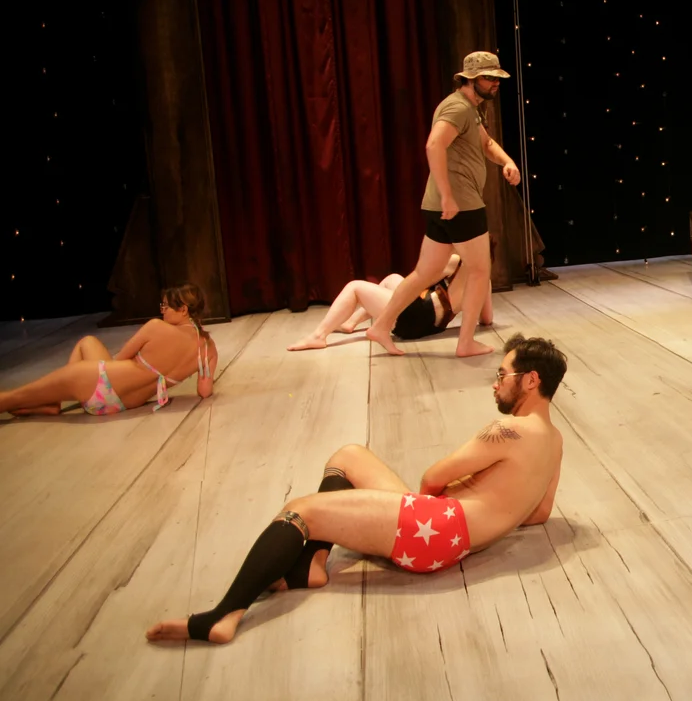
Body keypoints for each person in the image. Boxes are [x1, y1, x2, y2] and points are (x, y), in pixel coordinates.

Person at [146, 334, 566, 644]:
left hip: (436, 529)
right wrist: (489, 512)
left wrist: (445, 506)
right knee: (349, 456)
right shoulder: (554, 440)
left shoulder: (508, 430)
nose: (495, 383)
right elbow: (540, 512)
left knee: (302, 509)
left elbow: (433, 477)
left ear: (531, 380)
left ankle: (223, 615)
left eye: (502, 374)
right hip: (453, 536)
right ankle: (309, 566)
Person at [365, 51, 521, 358]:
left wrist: (507, 161)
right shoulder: (457, 107)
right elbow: (434, 144)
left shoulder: (470, 109)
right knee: (479, 271)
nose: (495, 83)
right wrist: (448, 195)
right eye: (489, 78)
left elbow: (486, 143)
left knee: (426, 272)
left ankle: (380, 326)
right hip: (460, 204)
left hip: (445, 205)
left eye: (497, 78)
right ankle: (466, 343)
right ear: (470, 79)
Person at [2, 283, 217, 417]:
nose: (162, 312)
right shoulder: (209, 348)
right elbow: (204, 391)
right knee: (87, 342)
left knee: (10, 397)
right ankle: (54, 401)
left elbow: (118, 360)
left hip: (101, 382)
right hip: (123, 404)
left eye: (166, 307)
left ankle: (59, 395)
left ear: (183, 309)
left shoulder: (156, 327)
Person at [285, 255, 493, 351]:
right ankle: (350, 323)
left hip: (414, 315)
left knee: (355, 287)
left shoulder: (457, 261)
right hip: (431, 326)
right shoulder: (485, 282)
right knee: (391, 279)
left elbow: (417, 282)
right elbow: (486, 319)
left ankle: (319, 336)